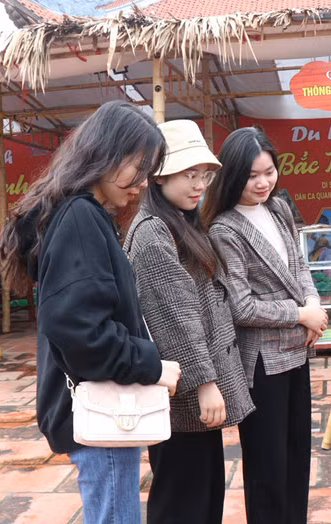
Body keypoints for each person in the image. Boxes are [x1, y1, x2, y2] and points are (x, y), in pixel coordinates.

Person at [0, 100, 181, 524]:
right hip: (103, 411)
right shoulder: (81, 217)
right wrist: (151, 365)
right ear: (106, 154)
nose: (143, 184)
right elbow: (81, 331)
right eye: (139, 167)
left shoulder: (78, 213)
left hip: (99, 406)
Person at [124, 120, 254, 524]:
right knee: (184, 501)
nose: (199, 185)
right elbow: (174, 318)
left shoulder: (178, 221)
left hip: (189, 392)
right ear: (159, 175)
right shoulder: (153, 232)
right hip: (183, 395)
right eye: (188, 174)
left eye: (204, 175)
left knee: (203, 496)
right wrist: (205, 384)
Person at [202, 127, 327, 524]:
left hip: (297, 352)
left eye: (268, 172)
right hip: (261, 363)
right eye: (251, 175)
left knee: (297, 455)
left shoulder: (279, 208)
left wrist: (313, 302)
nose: (262, 182)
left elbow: (299, 265)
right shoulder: (224, 229)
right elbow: (241, 307)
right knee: (267, 466)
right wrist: (300, 314)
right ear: (232, 175)